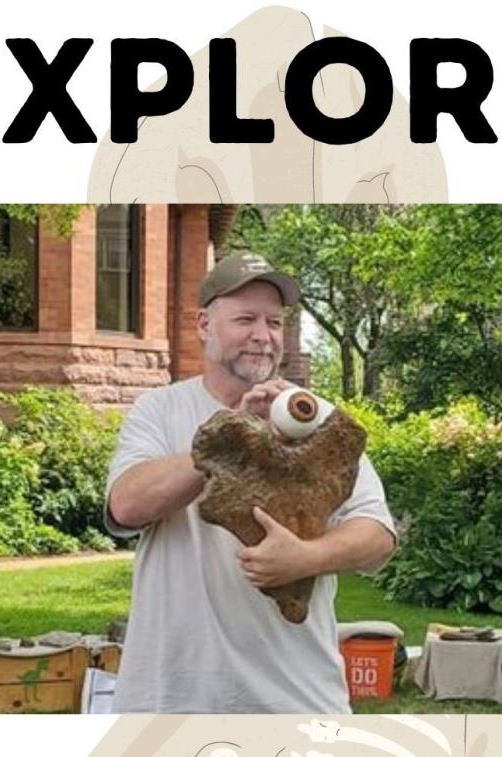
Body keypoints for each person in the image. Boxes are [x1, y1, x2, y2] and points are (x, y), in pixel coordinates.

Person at [103, 250, 397, 713]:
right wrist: (229, 435)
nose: (263, 336)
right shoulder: (160, 410)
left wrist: (306, 558)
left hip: (294, 700)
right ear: (204, 325)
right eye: (245, 319)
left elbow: (378, 534)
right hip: (172, 699)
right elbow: (127, 505)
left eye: (274, 322)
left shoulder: (319, 423)